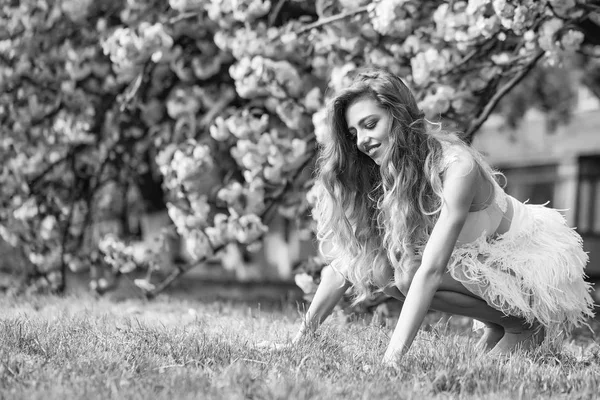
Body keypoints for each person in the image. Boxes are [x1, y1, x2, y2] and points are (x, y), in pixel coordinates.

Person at [278, 68, 595, 365]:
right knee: (383, 270)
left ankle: (524, 324)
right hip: (483, 263)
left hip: (530, 268)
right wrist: (300, 340)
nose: (361, 140)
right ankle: (500, 325)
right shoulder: (393, 172)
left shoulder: (457, 166)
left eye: (370, 124)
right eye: (353, 132)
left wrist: (391, 361)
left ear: (398, 115)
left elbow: (430, 271)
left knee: (407, 273)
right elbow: (345, 265)